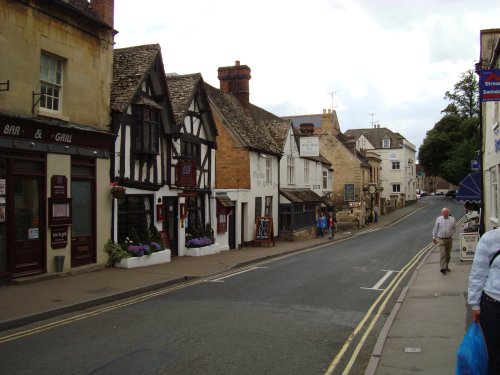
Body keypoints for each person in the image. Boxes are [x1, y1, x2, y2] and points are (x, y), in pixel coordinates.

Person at [467, 228, 500, 374]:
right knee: (496, 356)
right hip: (493, 306)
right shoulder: (489, 239)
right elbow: (478, 273)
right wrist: (474, 305)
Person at [432, 207, 456, 274]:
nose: (446, 213)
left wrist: (452, 233)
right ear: (442, 213)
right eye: (444, 212)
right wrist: (434, 238)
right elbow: (435, 229)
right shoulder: (438, 219)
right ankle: (442, 268)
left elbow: (455, 228)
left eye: (447, 212)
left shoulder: (452, 219)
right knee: (443, 254)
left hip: (449, 239)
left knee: (448, 255)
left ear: (448, 213)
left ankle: (446, 266)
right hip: (441, 239)